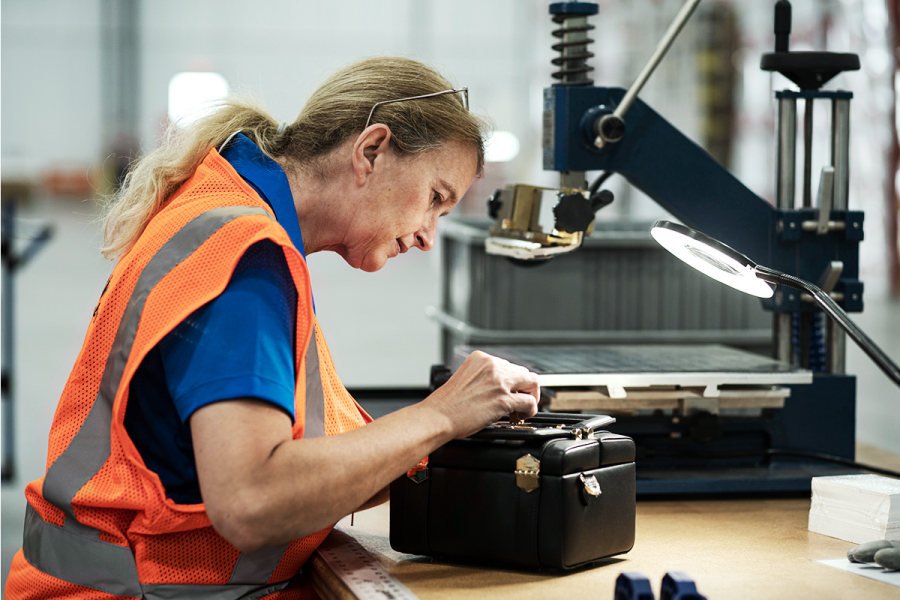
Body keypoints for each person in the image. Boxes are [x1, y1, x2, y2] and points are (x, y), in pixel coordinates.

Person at [5, 57, 539, 598]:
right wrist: (441, 415)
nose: (427, 236)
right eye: (435, 199)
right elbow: (253, 502)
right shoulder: (245, 259)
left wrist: (443, 435)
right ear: (371, 150)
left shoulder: (223, 206)